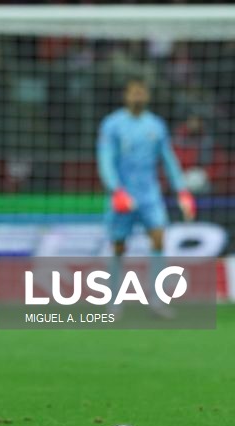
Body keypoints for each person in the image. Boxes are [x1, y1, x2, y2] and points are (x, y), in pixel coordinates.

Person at [97, 77, 195, 315]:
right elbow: (105, 158)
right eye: (134, 92)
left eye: (142, 92)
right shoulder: (112, 124)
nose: (138, 96)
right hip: (123, 193)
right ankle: (113, 300)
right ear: (126, 95)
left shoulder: (156, 125)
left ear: (147, 96)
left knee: (159, 237)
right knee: (119, 246)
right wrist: (115, 189)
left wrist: (181, 190)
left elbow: (168, 159)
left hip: (150, 193)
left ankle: (157, 299)